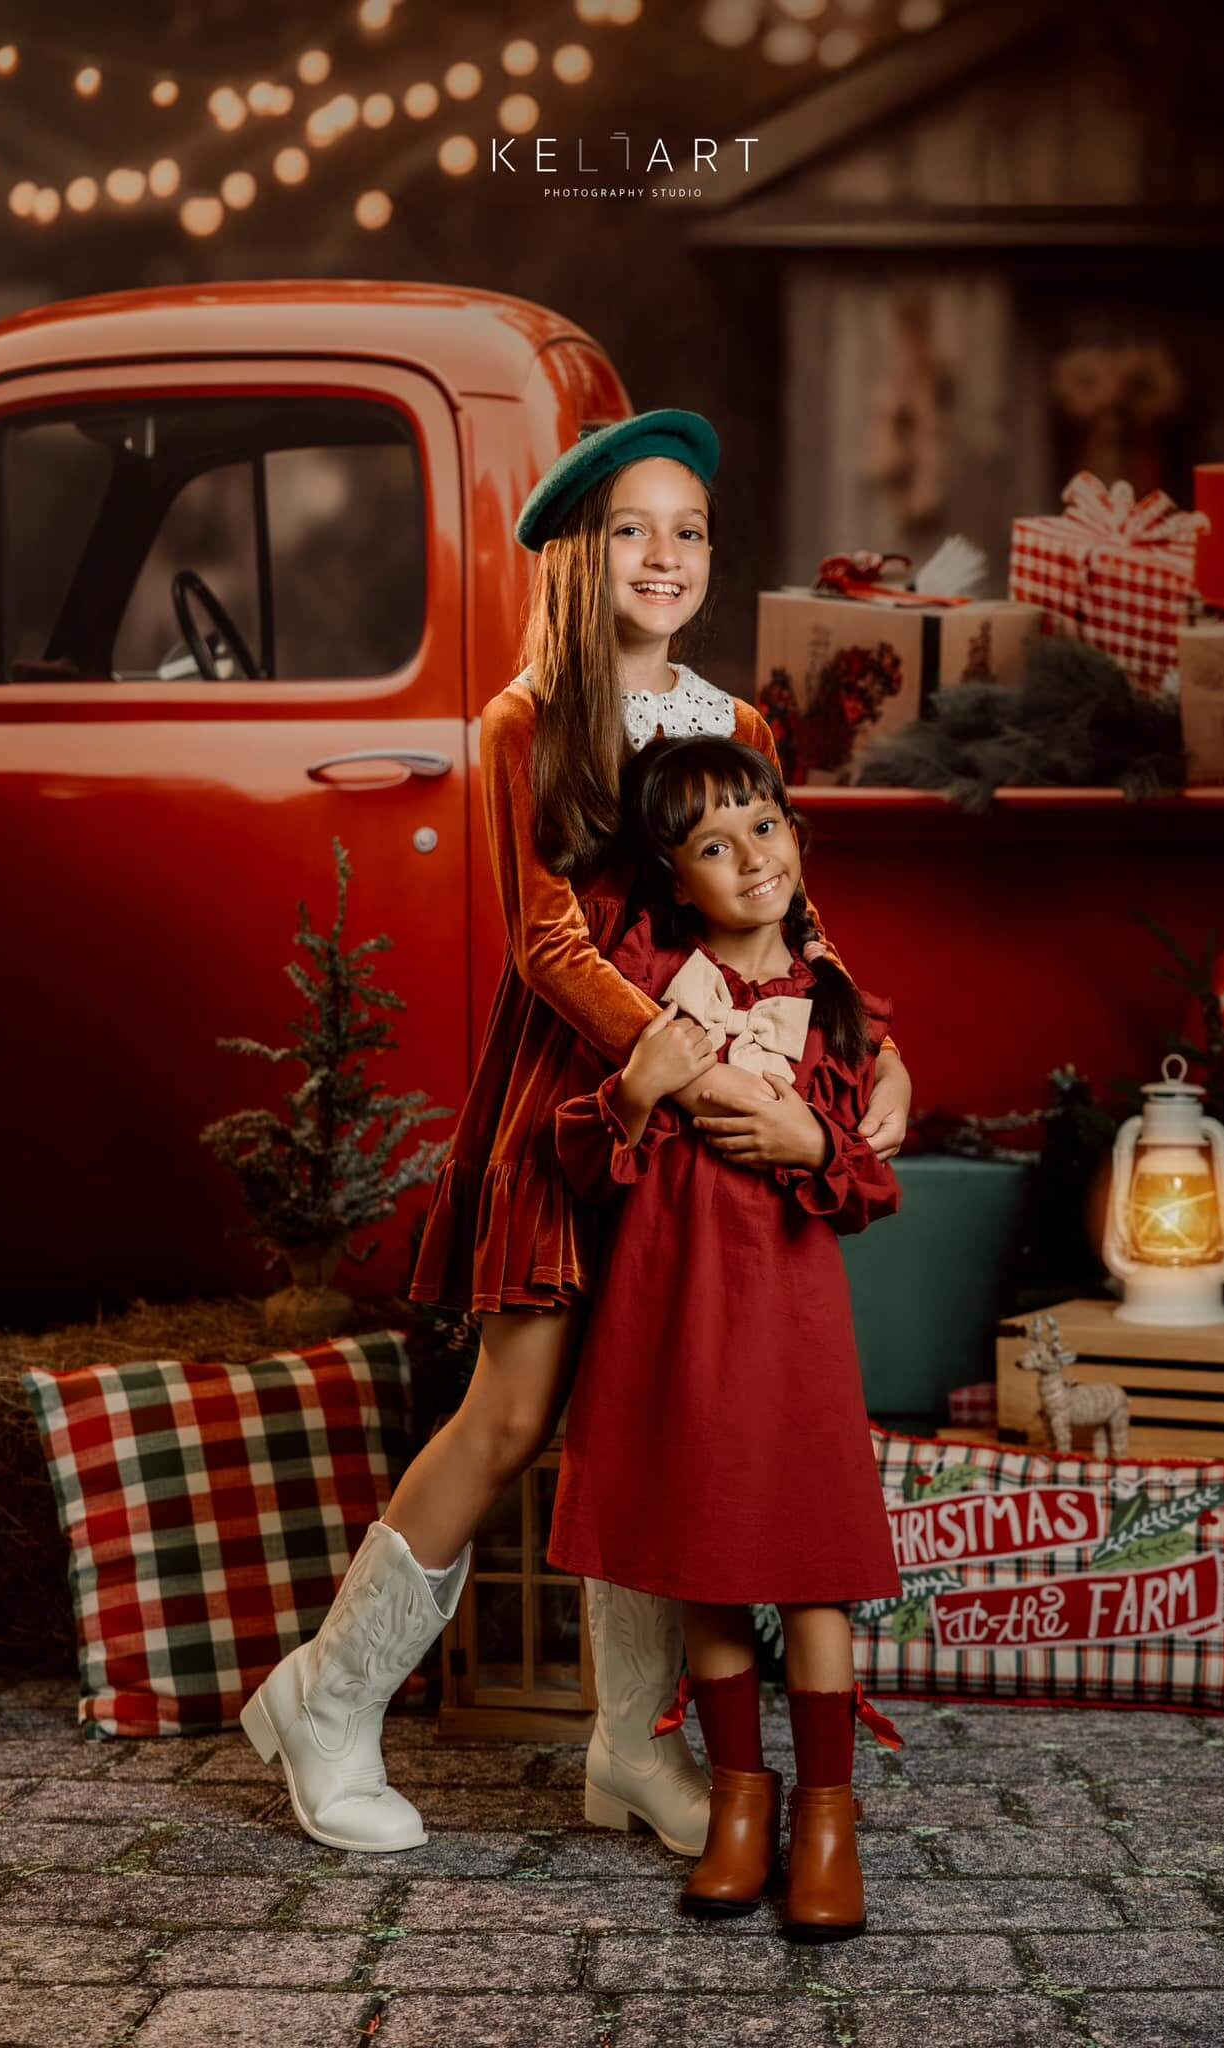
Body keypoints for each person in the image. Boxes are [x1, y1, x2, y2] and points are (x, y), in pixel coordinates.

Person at [241, 411, 912, 1857]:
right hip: (585, 1104)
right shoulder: (525, 719)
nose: (665, 555)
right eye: (633, 530)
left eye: (689, 531)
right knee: (512, 1410)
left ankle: (628, 1749)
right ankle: (327, 1698)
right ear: (576, 555)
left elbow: (785, 909)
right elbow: (548, 943)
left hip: (713, 1125)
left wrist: (862, 1028)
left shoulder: (735, 727)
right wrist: (678, 1068)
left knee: (656, 1416)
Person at [548, 733, 906, 1941]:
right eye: (712, 841)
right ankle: (738, 1805)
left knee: (808, 1563)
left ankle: (825, 1815)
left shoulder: (840, 1011)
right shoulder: (653, 991)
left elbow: (870, 1185)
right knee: (705, 1554)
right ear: (672, 876)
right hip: (670, 1310)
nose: (750, 853)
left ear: (797, 835)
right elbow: (584, 1163)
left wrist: (818, 1149)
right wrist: (640, 1087)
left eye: (763, 823)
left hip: (789, 1318)